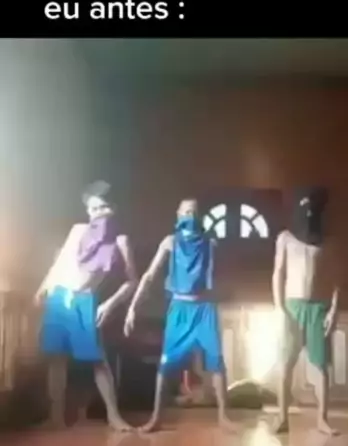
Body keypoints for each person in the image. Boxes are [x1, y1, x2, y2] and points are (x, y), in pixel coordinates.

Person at [34, 181, 137, 431]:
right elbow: (60, 263)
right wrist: (42, 288)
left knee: (98, 360)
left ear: (113, 208)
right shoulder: (78, 230)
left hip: (85, 300)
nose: (97, 213)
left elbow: (132, 281)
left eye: (103, 207)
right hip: (59, 295)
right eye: (92, 209)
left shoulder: (120, 241)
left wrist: (109, 305)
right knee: (56, 358)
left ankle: (114, 416)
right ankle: (55, 417)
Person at [124, 198, 233, 432]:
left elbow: (220, 277)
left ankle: (224, 416)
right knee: (166, 363)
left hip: (204, 309)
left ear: (199, 216)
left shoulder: (210, 243)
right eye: (185, 212)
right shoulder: (170, 242)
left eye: (193, 212)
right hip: (179, 309)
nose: (189, 216)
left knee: (216, 361)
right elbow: (149, 275)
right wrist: (133, 307)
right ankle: (156, 418)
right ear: (177, 215)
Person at [272, 187, 340, 436]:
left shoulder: (328, 242)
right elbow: (278, 273)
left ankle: (322, 419)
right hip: (292, 306)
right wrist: (279, 308)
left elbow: (336, 279)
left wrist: (334, 310)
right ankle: (282, 418)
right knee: (286, 363)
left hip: (319, 307)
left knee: (321, 366)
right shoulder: (286, 238)